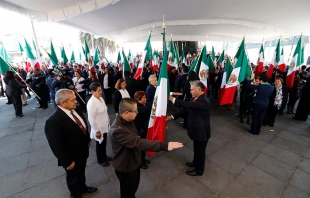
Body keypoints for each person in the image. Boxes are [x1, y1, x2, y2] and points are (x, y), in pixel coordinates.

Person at [109, 98, 183, 198]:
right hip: (126, 166)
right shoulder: (117, 130)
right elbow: (138, 142)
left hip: (133, 161)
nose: (137, 112)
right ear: (126, 112)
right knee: (128, 192)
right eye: (135, 111)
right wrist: (164, 146)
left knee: (133, 187)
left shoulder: (127, 119)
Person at [45, 89, 97, 198]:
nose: (76, 102)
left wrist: (87, 139)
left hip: (82, 150)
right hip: (71, 156)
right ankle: (75, 194)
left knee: (81, 171)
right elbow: (56, 145)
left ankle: (83, 187)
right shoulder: (53, 121)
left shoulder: (75, 109)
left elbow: (82, 126)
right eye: (73, 100)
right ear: (62, 103)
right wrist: (66, 161)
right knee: (73, 176)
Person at [167, 80, 211, 176]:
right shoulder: (196, 98)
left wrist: (172, 99)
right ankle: (195, 163)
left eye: (192, 90)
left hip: (201, 132)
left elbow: (188, 105)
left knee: (200, 152)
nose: (190, 91)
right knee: (196, 149)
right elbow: (184, 109)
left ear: (199, 90)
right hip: (196, 131)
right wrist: (172, 116)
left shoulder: (203, 100)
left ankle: (199, 170)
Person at [87, 82, 112, 167]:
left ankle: (104, 156)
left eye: (101, 90)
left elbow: (105, 111)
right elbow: (91, 119)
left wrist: (108, 120)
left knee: (104, 142)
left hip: (104, 125)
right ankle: (100, 160)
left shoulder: (101, 98)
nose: (100, 92)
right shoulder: (91, 103)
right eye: (98, 90)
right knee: (99, 144)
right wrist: (97, 130)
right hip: (98, 127)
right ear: (92, 92)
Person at [133, 91, 152, 169]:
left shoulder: (143, 105)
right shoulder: (138, 107)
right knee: (141, 146)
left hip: (143, 129)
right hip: (139, 130)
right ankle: (140, 162)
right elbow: (147, 109)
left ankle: (143, 159)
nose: (146, 98)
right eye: (144, 97)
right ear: (139, 99)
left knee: (143, 145)